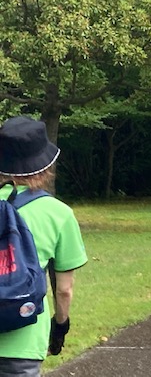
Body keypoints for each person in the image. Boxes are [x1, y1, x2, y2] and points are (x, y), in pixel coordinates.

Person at [0, 116, 87, 377]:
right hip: (23, 340)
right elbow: (64, 290)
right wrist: (60, 326)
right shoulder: (58, 213)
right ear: (45, 165)